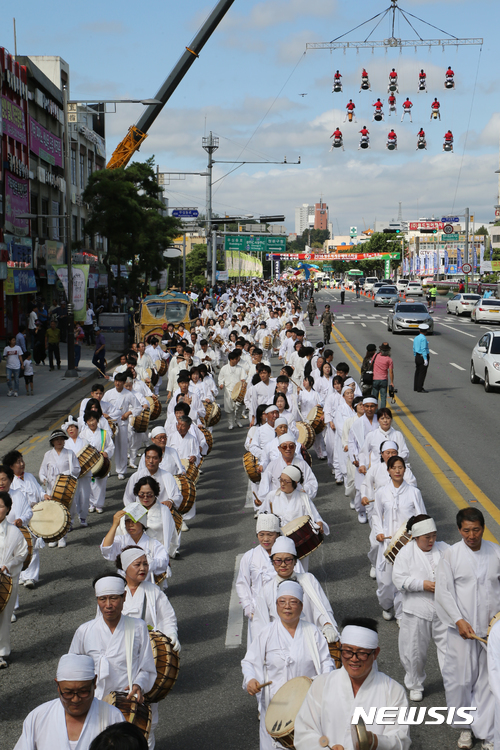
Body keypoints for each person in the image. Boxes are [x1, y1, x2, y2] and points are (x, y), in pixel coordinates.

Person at [435, 507, 500, 750]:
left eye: (476, 529)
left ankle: (486, 731)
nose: (471, 535)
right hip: (461, 631)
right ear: (459, 529)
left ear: (483, 528)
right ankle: (464, 728)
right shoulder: (451, 556)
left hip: (491, 633)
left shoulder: (496, 552)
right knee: (460, 681)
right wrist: (458, 620)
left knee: (488, 682)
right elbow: (443, 592)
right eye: (466, 530)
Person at [294, 617, 411, 750]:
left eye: (361, 653)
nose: (354, 659)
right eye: (348, 652)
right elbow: (304, 731)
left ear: (375, 653)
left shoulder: (393, 691)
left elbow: (401, 739)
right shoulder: (322, 684)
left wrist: (375, 741)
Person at [242, 580, 333, 750]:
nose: (287, 607)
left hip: (307, 703)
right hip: (275, 706)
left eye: (293, 602)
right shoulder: (267, 632)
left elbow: (326, 662)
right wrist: (251, 679)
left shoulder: (312, 631)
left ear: (301, 605)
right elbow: (249, 661)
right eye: (282, 602)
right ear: (276, 605)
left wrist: (322, 683)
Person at [118, 546, 179, 748]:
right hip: (119, 663)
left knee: (146, 718)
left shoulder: (154, 592)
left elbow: (167, 618)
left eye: (145, 563)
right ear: (126, 567)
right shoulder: (116, 593)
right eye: (138, 564)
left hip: (148, 660)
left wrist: (170, 638)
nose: (143, 568)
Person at [69, 573, 156, 703]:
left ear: (124, 597)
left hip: (126, 700)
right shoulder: (84, 631)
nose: (108, 605)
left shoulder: (138, 627)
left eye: (114, 598)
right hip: (93, 702)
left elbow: (146, 667)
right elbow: (72, 668)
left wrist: (138, 684)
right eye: (102, 599)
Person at [13, 653, 124, 749]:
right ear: (58, 685)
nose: (75, 699)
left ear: (94, 683)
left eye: (83, 691)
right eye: (68, 693)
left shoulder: (113, 717)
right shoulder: (38, 717)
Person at [392, 514, 449, 702]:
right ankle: (415, 684)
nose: (432, 540)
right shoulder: (406, 553)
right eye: (427, 537)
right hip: (416, 611)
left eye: (434, 535)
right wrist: (422, 585)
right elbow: (399, 579)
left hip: (443, 610)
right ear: (416, 537)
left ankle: (453, 683)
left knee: (450, 649)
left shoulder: (444, 549)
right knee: (414, 651)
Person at [252, 537, 338, 643]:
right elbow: (260, 624)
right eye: (278, 560)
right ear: (273, 562)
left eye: (288, 560)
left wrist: (327, 624)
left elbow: (321, 607)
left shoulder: (308, 580)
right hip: (280, 645)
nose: (283, 564)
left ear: (295, 561)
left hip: (311, 641)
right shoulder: (266, 590)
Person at [372, 456, 426, 621]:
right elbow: (376, 515)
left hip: (408, 544)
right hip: (388, 544)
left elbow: (422, 517)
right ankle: (386, 605)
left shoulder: (413, 492)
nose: (397, 470)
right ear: (388, 470)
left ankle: (402, 614)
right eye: (393, 467)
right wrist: (379, 532)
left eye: (400, 467)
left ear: (405, 469)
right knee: (386, 583)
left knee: (404, 582)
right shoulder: (381, 492)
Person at [0, 491, 29, 667]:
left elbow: (22, 553)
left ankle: (1, 652)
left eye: (1, 506)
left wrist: (8, 566)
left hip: (6, 579)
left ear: (8, 509)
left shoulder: (14, 532)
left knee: (4, 616)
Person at [39, 429, 81, 548]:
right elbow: (42, 470)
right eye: (56, 439)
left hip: (66, 487)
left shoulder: (70, 453)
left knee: (65, 512)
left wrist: (68, 473)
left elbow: (77, 469)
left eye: (61, 439)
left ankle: (63, 536)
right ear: (52, 442)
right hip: (51, 488)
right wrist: (43, 478)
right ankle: (54, 536)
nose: (59, 441)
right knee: (53, 512)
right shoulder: (47, 454)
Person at [105, 372, 142, 480]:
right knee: (108, 446)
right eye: (116, 381)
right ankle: (107, 468)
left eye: (120, 382)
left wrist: (128, 413)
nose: (117, 383)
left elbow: (138, 408)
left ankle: (121, 470)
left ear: (123, 382)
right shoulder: (108, 393)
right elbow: (103, 407)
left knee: (122, 447)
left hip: (122, 423)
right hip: (110, 424)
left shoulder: (129, 394)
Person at [79, 408, 115, 514]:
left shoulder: (104, 433)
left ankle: (99, 504)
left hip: (100, 462)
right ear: (86, 422)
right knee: (88, 483)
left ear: (97, 420)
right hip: (87, 464)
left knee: (100, 484)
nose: (91, 423)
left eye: (93, 420)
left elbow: (110, 446)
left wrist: (107, 452)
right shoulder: (83, 434)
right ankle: (91, 503)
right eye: (89, 421)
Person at [218, 349, 246, 430]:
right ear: (231, 359)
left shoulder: (241, 368)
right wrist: (221, 384)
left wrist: (243, 381)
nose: (237, 360)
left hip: (238, 391)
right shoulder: (224, 368)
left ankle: (238, 420)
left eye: (238, 359)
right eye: (236, 359)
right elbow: (220, 378)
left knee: (239, 407)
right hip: (228, 391)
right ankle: (230, 423)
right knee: (229, 408)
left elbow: (243, 378)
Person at [371, 342, 394, 408]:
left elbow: (371, 364)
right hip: (384, 379)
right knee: (383, 397)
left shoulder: (375, 355)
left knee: (375, 397)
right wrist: (392, 382)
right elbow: (391, 372)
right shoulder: (389, 359)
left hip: (375, 378)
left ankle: (375, 412)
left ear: (380, 350)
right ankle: (382, 412)